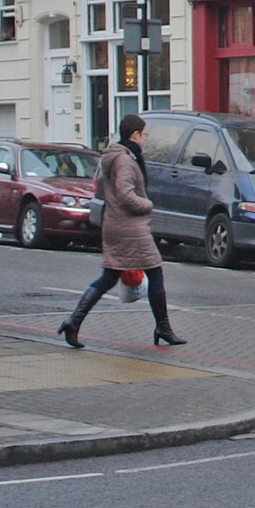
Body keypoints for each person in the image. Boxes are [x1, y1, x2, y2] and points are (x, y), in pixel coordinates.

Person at [56, 114, 185, 349]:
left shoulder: (117, 156)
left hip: (115, 223)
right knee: (155, 270)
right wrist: (147, 205)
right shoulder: (125, 160)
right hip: (129, 226)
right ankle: (163, 327)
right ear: (134, 135)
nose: (145, 139)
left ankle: (73, 322)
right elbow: (126, 194)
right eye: (144, 135)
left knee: (110, 276)